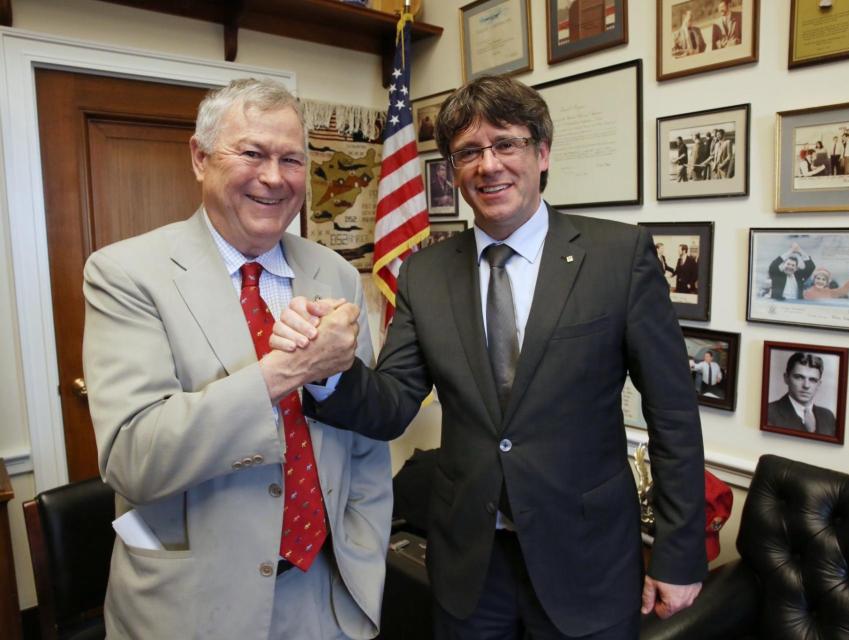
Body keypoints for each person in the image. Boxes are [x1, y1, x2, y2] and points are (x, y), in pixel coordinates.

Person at [276, 75, 707, 639]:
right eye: (469, 153)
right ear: (453, 170)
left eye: (506, 144)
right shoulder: (426, 272)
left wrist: (678, 554)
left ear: (542, 152)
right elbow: (393, 403)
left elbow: (673, 412)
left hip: (587, 561)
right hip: (469, 565)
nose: (489, 165)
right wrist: (328, 368)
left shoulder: (617, 256)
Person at [82, 78, 392, 639]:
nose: (274, 177)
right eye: (252, 153)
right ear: (200, 158)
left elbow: (363, 442)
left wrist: (362, 547)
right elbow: (133, 456)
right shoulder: (126, 275)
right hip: (195, 608)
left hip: (326, 596)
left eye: (291, 159)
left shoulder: (337, 274)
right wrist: (291, 370)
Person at [766, 352, 836, 435]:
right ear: (786, 378)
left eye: (812, 380)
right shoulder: (768, 412)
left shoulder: (828, 416)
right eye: (799, 377)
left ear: (818, 384)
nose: (806, 385)